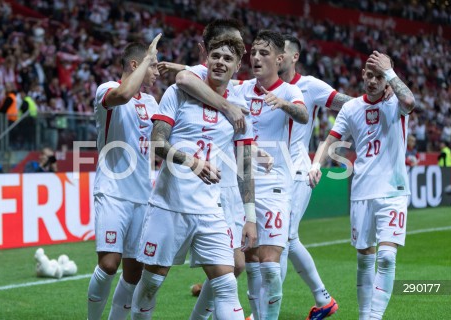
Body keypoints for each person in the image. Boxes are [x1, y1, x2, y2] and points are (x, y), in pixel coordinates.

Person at [132, 34, 256, 320]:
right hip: (169, 204)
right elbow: (158, 143)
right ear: (207, 59)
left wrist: (250, 216)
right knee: (151, 283)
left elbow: (244, 165)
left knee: (226, 285)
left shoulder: (240, 110)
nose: (220, 63)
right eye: (216, 56)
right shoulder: (177, 94)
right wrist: (192, 162)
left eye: (228, 59)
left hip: (209, 210)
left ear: (237, 66)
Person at [309, 51, 415, 320]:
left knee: (388, 257)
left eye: (378, 76)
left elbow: (410, 100)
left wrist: (389, 70)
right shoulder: (351, 108)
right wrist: (316, 164)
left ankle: (373, 317)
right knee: (365, 259)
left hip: (393, 191)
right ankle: (363, 315)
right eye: (369, 75)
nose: (372, 81)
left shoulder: (397, 105)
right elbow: (331, 140)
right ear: (362, 76)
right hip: (362, 191)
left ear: (387, 80)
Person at [276, 34, 354, 319]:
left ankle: (263, 313)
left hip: (297, 172)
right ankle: (324, 301)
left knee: (280, 239)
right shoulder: (261, 86)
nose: (274, 55)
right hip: (270, 176)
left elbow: (349, 105)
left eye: (279, 51)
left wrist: (377, 100)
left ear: (293, 57)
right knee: (288, 239)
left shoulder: (309, 86)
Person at [233, 30, 307, 320]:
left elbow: (302, 114)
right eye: (253, 53)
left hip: (276, 186)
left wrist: (284, 104)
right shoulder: (241, 89)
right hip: (243, 186)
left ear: (279, 59)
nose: (256, 58)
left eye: (264, 53)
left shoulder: (289, 91)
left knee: (270, 266)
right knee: (250, 262)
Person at [86, 34, 161, 320]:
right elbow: (124, 95)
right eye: (152, 66)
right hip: (113, 191)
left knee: (133, 272)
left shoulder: (153, 103)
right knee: (108, 264)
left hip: (143, 195)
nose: (156, 72)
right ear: (135, 64)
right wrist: (147, 56)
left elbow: (160, 145)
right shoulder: (108, 89)